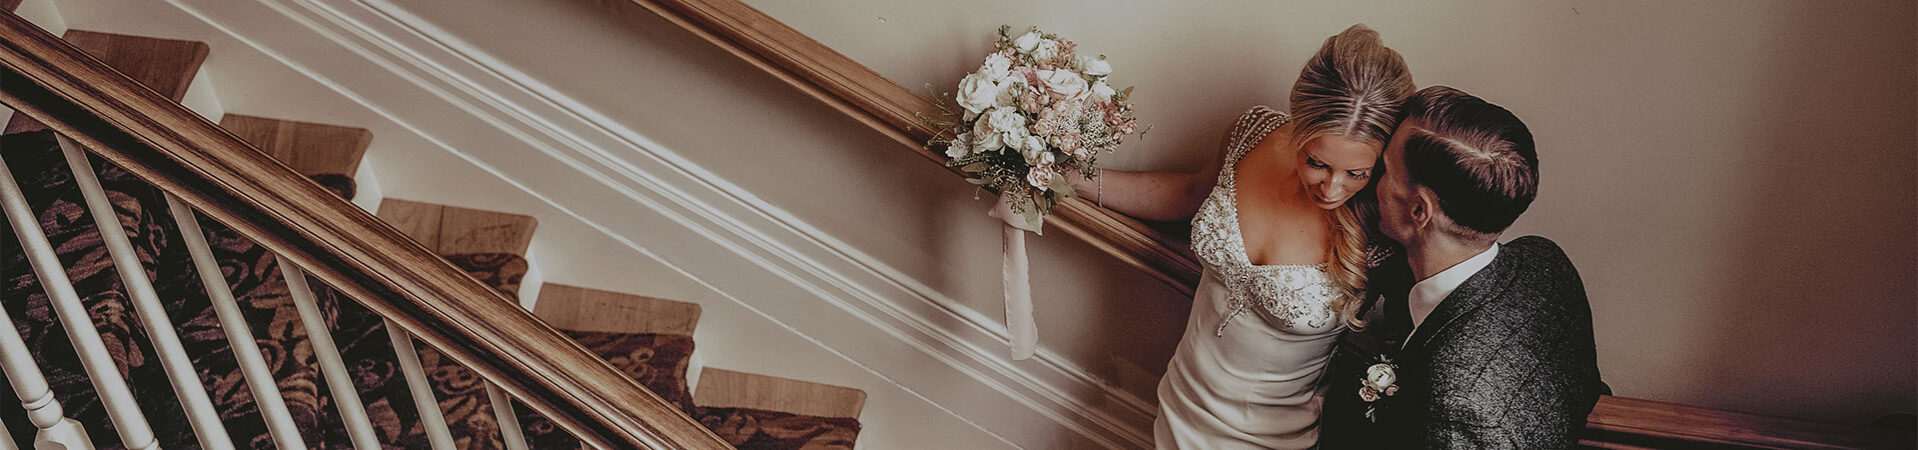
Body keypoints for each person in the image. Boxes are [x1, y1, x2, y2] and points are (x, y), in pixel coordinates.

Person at [1070, 24, 1413, 449]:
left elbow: (1408, 332)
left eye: (1356, 173)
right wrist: (1072, 180)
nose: (1333, 188)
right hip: (1182, 399)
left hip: (1275, 436)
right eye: (1317, 163)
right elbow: (1189, 194)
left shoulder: (1386, 223)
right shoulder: (1254, 133)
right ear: (1300, 126)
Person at [1317, 86, 1603, 449]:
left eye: (1385, 169)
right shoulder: (1544, 261)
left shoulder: (1458, 407)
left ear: (1419, 210)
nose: (1372, 181)